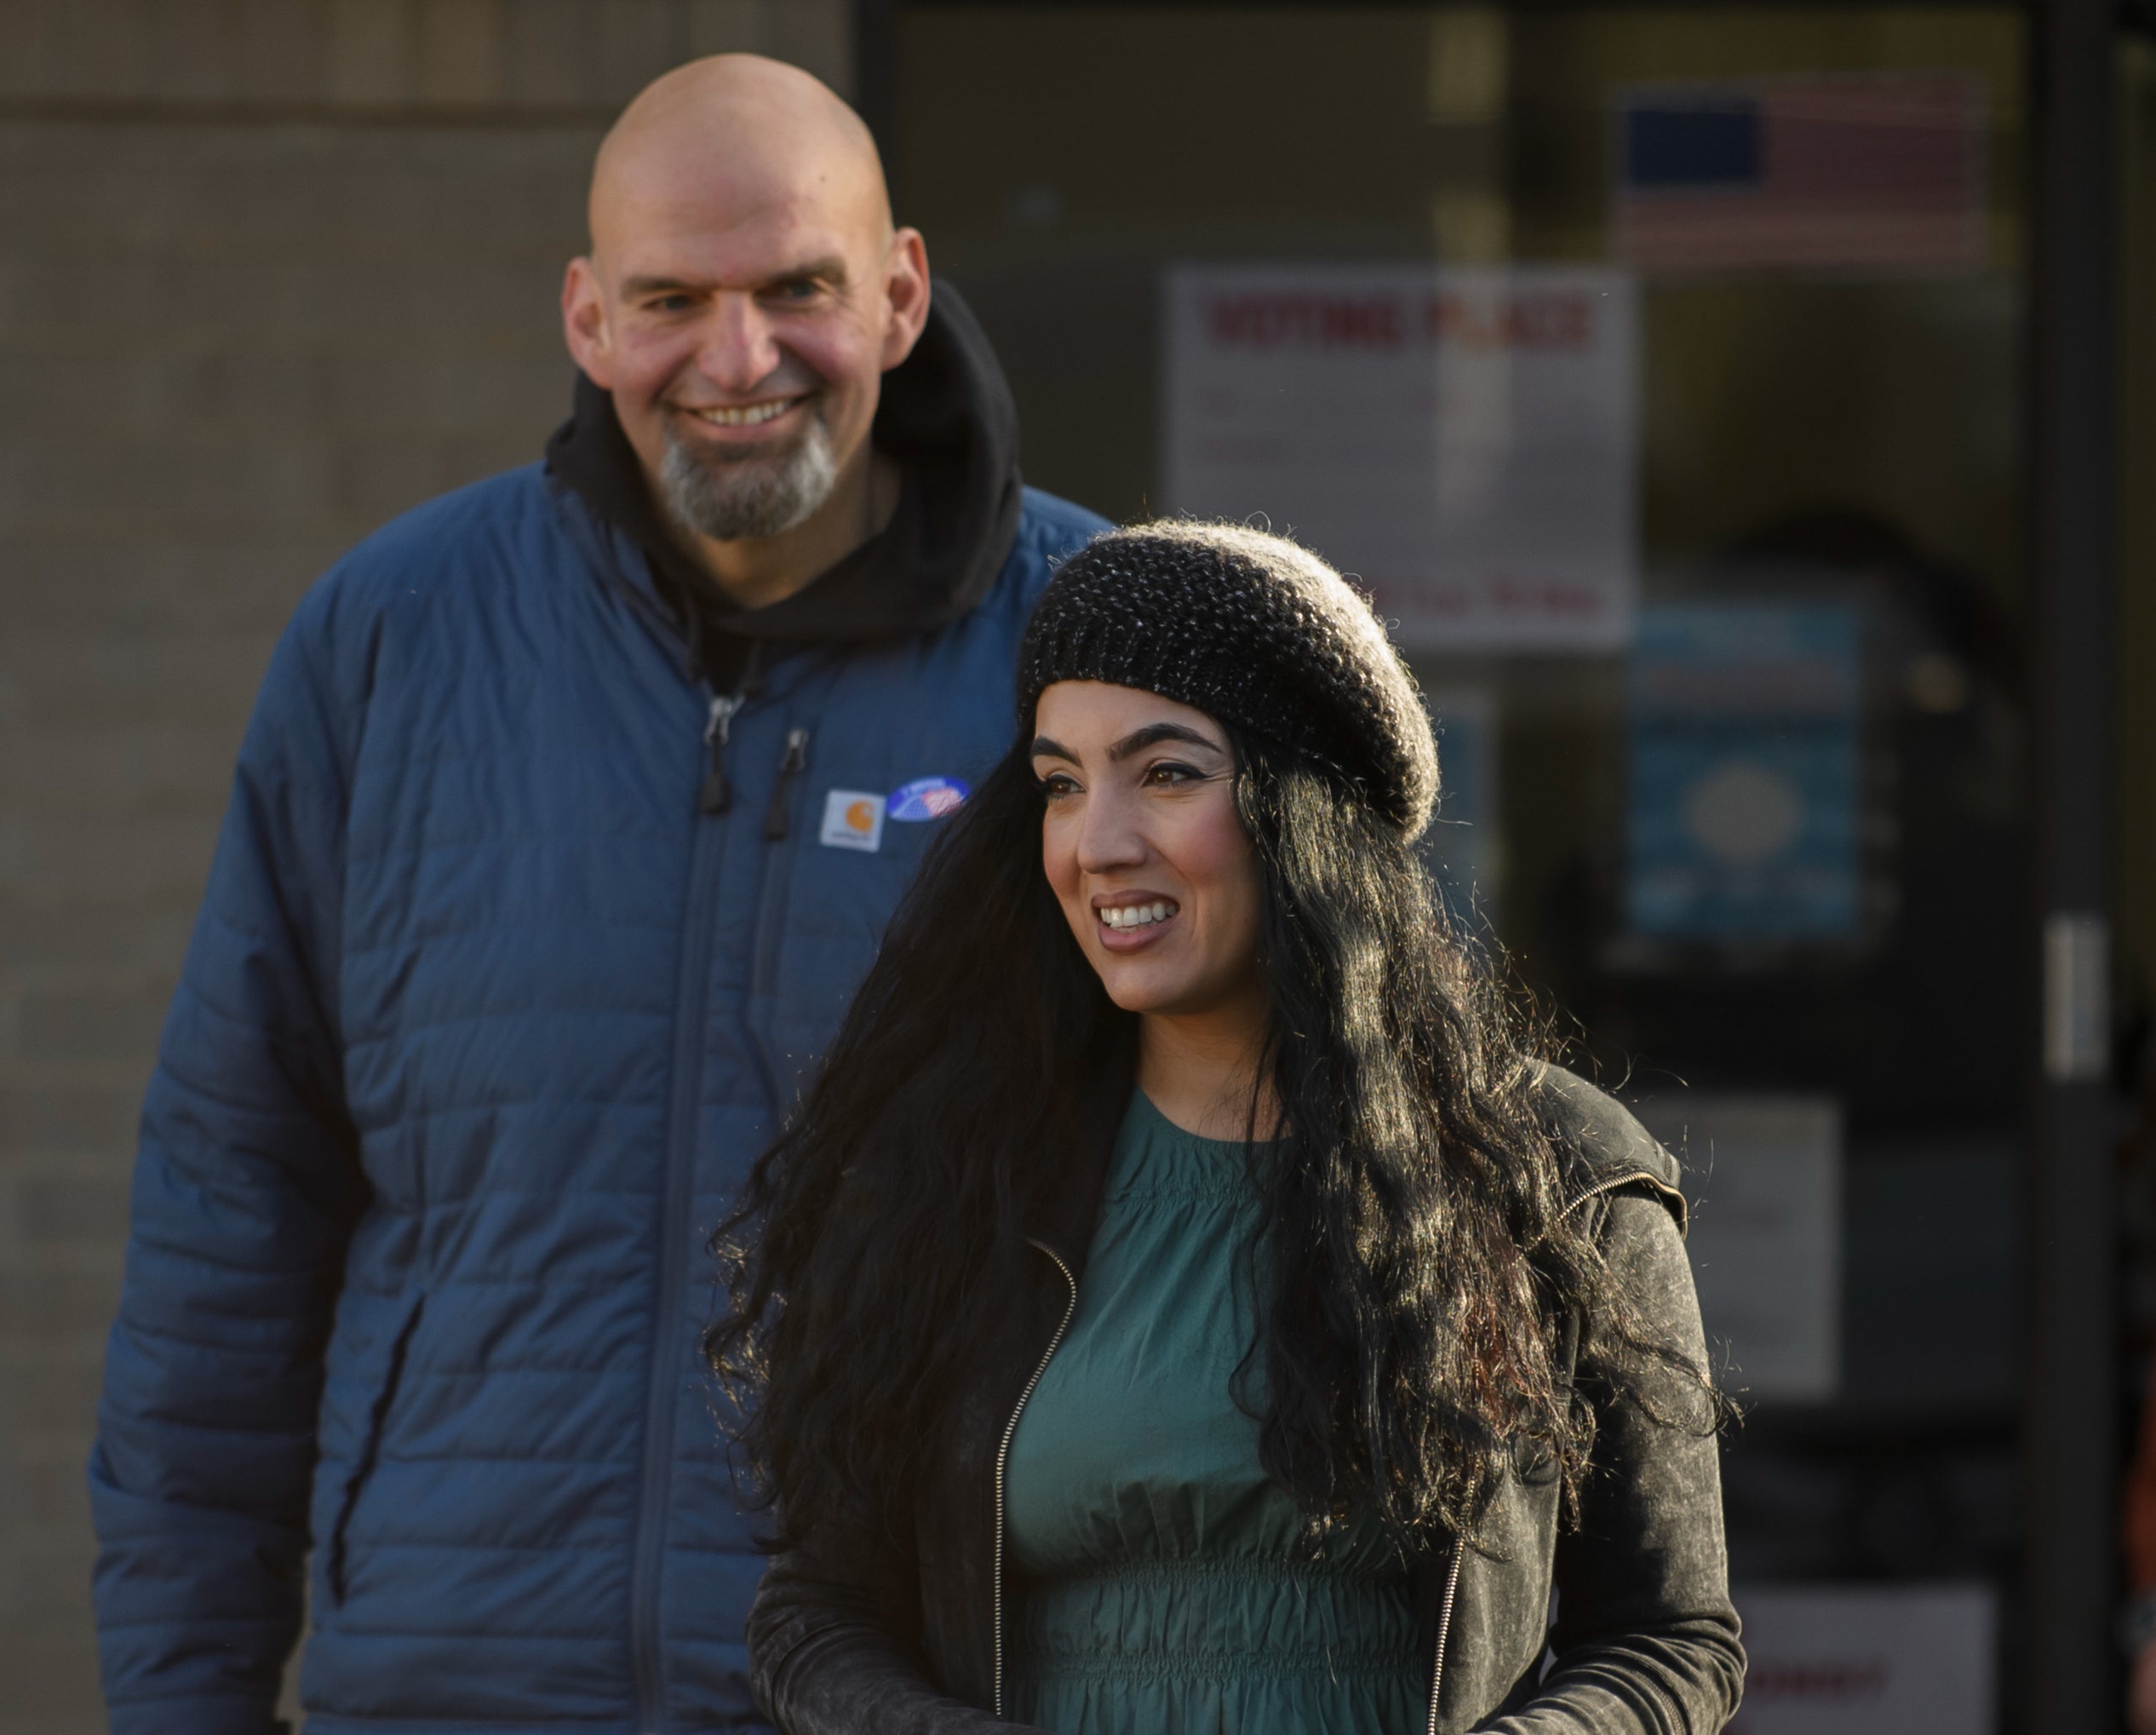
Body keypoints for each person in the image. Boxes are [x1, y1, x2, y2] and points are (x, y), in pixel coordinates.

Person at [87, 54, 1104, 1735]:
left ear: (904, 292)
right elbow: (231, 1203)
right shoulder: (393, 640)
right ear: (585, 318)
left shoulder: (1091, 655)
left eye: (798, 289)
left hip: (911, 1691)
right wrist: (183, 1698)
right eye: (670, 300)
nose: (736, 358)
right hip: (448, 1679)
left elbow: (1241, 1197)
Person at [711, 522, 1745, 1734]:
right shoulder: (957, 1170)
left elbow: (1673, 1641)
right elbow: (813, 1615)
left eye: (1165, 773)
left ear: (1306, 815)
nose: (1097, 843)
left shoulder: (1555, 1174)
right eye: (1060, 783)